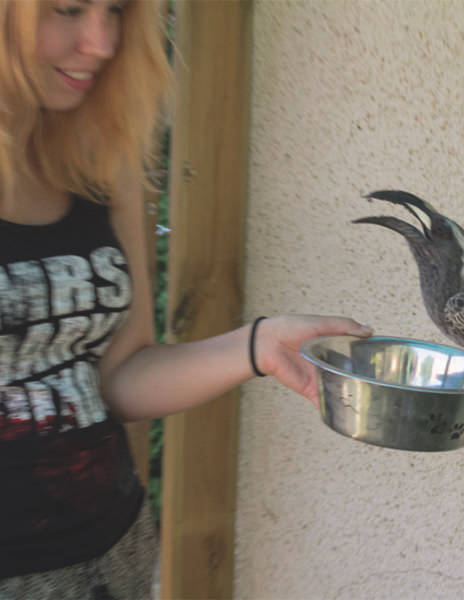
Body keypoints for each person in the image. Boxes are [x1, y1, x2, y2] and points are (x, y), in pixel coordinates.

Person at [2, 1, 369, 596]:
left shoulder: (98, 158)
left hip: (113, 557)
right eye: (67, 8)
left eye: (116, 9)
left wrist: (255, 346)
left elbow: (119, 379)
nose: (101, 41)